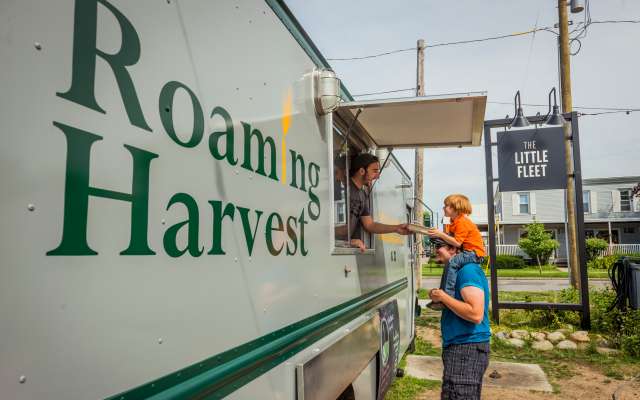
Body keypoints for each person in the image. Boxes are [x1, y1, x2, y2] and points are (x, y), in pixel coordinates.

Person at [428, 237, 491, 400]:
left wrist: (443, 296)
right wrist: (438, 298)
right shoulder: (457, 271)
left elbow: (475, 314)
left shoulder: (467, 271)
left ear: (453, 249)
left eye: (438, 246)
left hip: (467, 348)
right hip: (461, 347)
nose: (435, 250)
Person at [426, 194, 486, 310]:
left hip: (474, 253)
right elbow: (451, 238)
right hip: (467, 252)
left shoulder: (462, 221)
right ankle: (442, 293)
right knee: (449, 264)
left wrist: (441, 234)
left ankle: (446, 298)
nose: (443, 208)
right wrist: (438, 236)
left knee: (452, 262)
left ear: (456, 208)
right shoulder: (454, 223)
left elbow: (457, 243)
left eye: (446, 206)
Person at [342, 153, 409, 252]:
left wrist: (396, 228)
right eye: (374, 171)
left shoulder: (362, 195)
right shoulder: (343, 188)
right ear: (361, 171)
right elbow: (328, 226)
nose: (377, 176)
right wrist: (347, 242)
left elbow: (370, 225)